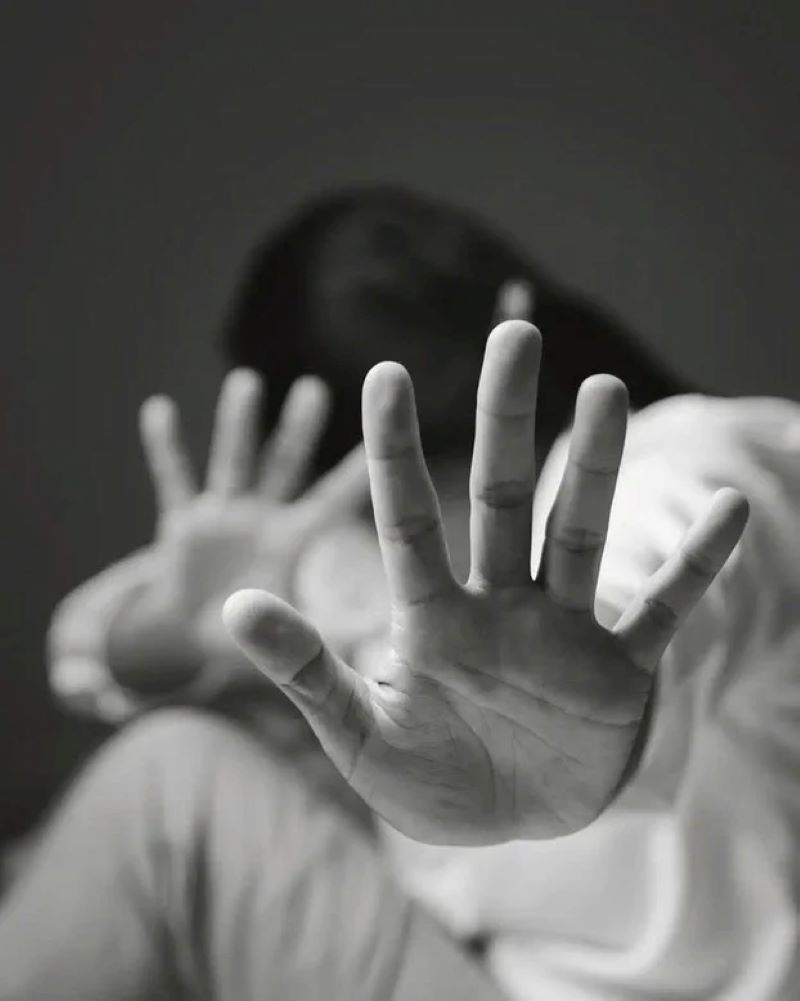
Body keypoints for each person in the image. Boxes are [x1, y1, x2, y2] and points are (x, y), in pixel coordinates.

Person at [1, 187, 796, 1000]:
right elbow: (81, 652)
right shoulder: (372, 578)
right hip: (486, 975)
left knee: (166, 782)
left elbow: (676, 580)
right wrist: (180, 631)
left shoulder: (695, 456)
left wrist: (598, 696)